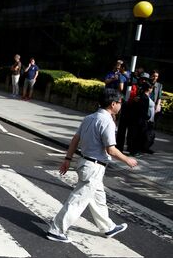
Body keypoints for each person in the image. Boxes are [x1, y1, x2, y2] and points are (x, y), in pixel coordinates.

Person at [46, 89, 138, 243]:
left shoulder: (89, 118)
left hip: (85, 162)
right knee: (77, 200)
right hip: (94, 166)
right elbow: (111, 149)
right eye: (120, 102)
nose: (121, 105)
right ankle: (56, 230)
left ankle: (108, 227)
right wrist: (126, 159)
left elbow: (75, 139)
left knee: (98, 198)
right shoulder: (107, 121)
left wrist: (68, 158)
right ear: (113, 104)